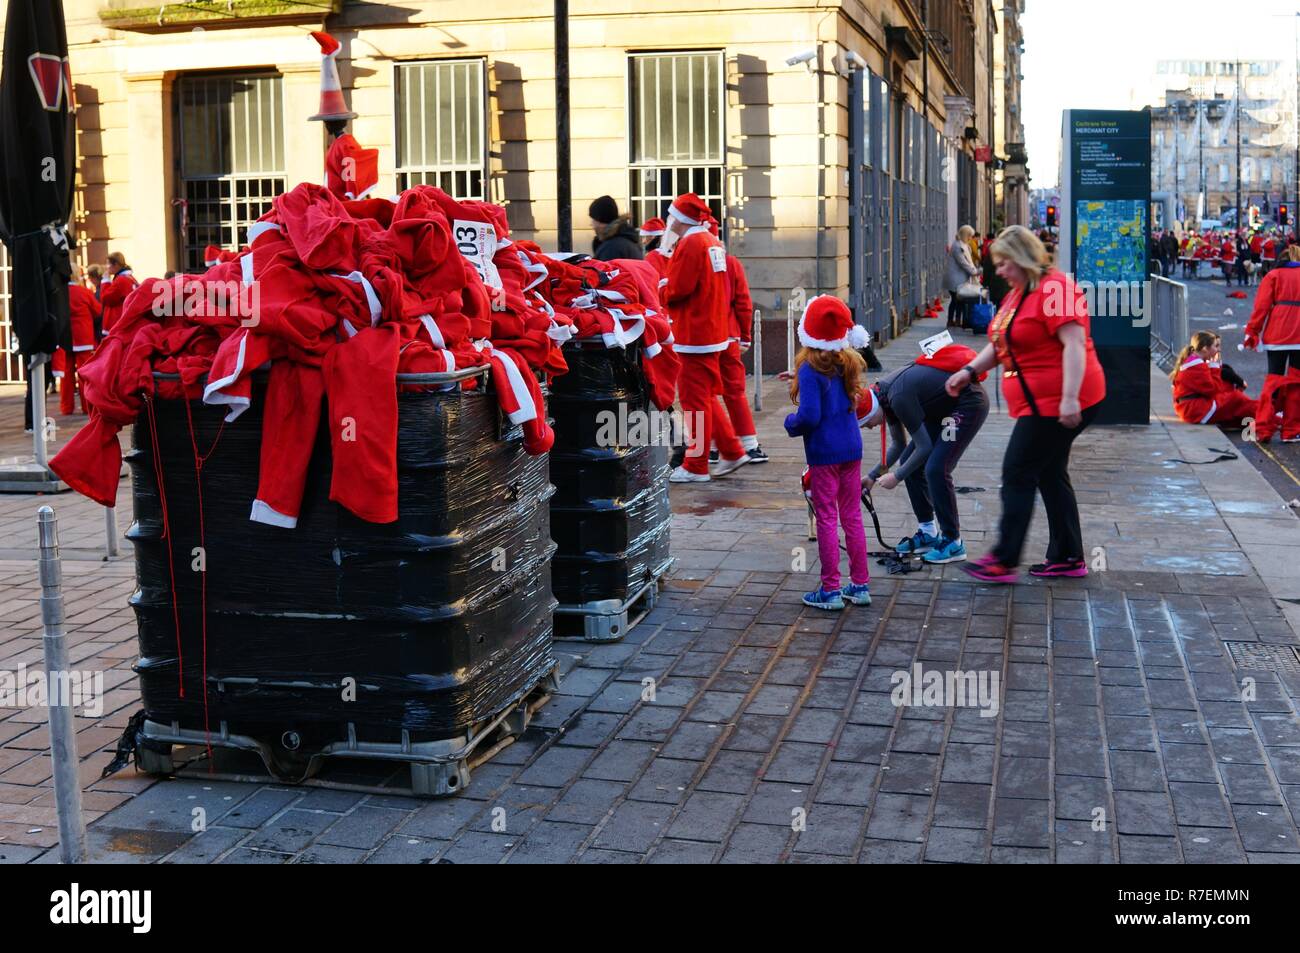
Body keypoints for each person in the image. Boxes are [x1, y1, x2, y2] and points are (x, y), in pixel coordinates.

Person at [943, 225, 1107, 583]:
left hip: (1059, 401)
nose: (999, 270)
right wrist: (969, 371)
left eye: (1004, 263)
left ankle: (1003, 560)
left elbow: (1076, 345)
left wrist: (1068, 399)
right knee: (1048, 472)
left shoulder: (1056, 288)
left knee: (1018, 472)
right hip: (1041, 402)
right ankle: (1068, 556)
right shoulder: (1020, 292)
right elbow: (1003, 342)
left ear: (1022, 257)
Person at [859, 341, 990, 566]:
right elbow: (899, 445)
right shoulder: (883, 396)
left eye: (867, 423)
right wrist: (871, 476)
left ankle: (953, 542)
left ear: (872, 410)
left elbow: (925, 447)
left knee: (937, 468)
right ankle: (928, 532)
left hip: (966, 405)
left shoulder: (897, 398)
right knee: (911, 464)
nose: (869, 427)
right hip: (941, 408)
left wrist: (896, 477)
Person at [784, 296, 872, 610]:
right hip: (852, 447)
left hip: (824, 453)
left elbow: (809, 416)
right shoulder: (846, 360)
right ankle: (860, 585)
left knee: (826, 516)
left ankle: (830, 590)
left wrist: (790, 424)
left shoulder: (810, 368)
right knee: (851, 516)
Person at [662, 192, 750, 482]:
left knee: (694, 402)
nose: (668, 219)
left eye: (672, 214)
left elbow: (678, 289)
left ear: (680, 218)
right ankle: (732, 450)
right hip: (711, 331)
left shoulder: (690, 244)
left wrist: (662, 285)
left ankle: (696, 464)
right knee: (705, 398)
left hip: (694, 333)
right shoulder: (711, 242)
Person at [1244, 243, 1300, 442]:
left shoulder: (1273, 275)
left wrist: (1252, 331)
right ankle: (1291, 431)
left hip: (1277, 331)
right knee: (1296, 382)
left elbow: (1261, 307)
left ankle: (1264, 429)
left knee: (1273, 380)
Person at [1170, 331, 1256, 427]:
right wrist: (1214, 366)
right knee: (1236, 398)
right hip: (1195, 410)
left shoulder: (1192, 361)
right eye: (1215, 346)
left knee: (1231, 394)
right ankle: (1264, 413)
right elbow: (1213, 390)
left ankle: (1256, 415)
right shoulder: (1196, 365)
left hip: (1189, 407)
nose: (1217, 350)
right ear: (1205, 349)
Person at [56, 265, 101, 416]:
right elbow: (97, 310)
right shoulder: (84, 292)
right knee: (84, 375)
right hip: (84, 338)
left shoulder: (60, 293)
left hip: (65, 338)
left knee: (66, 375)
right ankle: (87, 406)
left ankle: (66, 407)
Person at [945, 225, 981, 328]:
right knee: (955, 300)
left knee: (959, 300)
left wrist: (974, 271)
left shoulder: (964, 245)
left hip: (960, 278)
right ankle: (951, 320)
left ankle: (957, 320)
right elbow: (963, 263)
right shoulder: (957, 246)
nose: (971, 238)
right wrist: (975, 272)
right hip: (954, 278)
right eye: (970, 236)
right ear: (965, 235)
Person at [588, 195, 643, 261]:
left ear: (601, 220)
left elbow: (605, 270)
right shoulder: (625, 241)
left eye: (594, 220)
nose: (591, 224)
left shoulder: (612, 248)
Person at [100, 252, 138, 334]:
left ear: (116, 264)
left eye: (108, 264)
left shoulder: (121, 280)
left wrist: (105, 281)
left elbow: (106, 298)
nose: (107, 267)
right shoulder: (130, 278)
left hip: (115, 321)